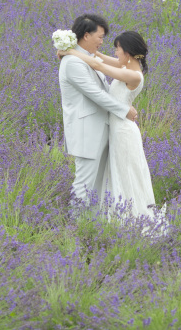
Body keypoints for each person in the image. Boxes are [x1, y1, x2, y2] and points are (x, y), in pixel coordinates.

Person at [58, 31, 163, 228]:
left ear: (128, 53)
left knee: (125, 173)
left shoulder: (132, 74)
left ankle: (129, 220)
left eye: (118, 49)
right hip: (116, 128)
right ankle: (116, 217)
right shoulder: (126, 65)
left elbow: (98, 65)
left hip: (123, 131)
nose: (115, 52)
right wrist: (80, 50)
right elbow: (98, 58)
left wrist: (70, 52)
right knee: (116, 172)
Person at [58, 14, 138, 214]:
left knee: (97, 184)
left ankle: (92, 222)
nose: (102, 42)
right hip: (86, 130)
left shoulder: (86, 58)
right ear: (86, 35)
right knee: (84, 183)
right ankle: (76, 224)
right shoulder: (73, 63)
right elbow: (95, 94)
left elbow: (111, 69)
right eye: (100, 37)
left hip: (99, 127)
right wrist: (124, 110)